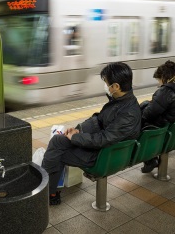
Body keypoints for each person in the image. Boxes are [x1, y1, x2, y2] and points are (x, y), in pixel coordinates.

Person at [41, 62, 141, 205]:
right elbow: (99, 120)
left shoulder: (128, 113)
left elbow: (104, 139)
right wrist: (79, 129)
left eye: (106, 83)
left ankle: (49, 193)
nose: (105, 86)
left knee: (57, 151)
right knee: (58, 141)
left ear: (116, 86)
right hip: (106, 149)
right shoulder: (122, 102)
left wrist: (76, 137)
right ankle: (50, 188)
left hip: (105, 156)